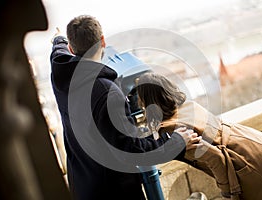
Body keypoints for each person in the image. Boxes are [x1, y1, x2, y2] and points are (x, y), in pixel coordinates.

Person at [50, 15, 198, 200]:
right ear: (102, 41)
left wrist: (58, 39)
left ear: (71, 48)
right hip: (113, 191)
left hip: (82, 186)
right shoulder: (107, 92)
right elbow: (132, 149)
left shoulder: (61, 77)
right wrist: (178, 142)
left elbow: (57, 51)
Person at [136, 72, 262, 200]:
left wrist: (228, 193)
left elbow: (216, 158)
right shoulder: (189, 106)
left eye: (141, 99)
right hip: (255, 144)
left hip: (247, 163)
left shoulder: (173, 130)